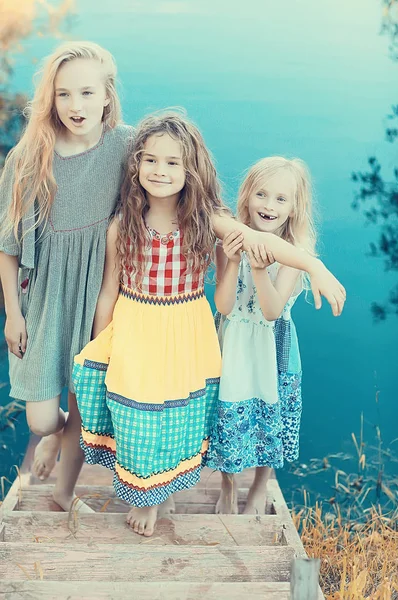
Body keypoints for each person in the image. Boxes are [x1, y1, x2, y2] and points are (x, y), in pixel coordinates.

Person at [73, 115, 346, 537]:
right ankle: (145, 492)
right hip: (137, 332)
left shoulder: (204, 219)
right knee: (136, 415)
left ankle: (163, 492)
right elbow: (109, 291)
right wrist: (99, 347)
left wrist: (314, 265)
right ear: (136, 166)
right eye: (150, 160)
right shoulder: (121, 226)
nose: (160, 171)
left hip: (185, 332)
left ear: (191, 170)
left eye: (173, 163)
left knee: (180, 418)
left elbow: (264, 242)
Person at [0, 41, 134, 512]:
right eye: (63, 95)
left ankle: (63, 492)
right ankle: (52, 438)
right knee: (40, 420)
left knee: (83, 398)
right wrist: (12, 314)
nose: (75, 106)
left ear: (106, 95)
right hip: (42, 296)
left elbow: (175, 183)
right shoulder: (29, 157)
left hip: (98, 292)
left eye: (86, 93)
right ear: (51, 99)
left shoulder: (125, 146)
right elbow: (7, 245)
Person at [206, 156, 336, 515]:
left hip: (273, 344)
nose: (269, 205)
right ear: (247, 196)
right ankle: (228, 484)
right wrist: (233, 261)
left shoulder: (296, 254)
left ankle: (261, 484)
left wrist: (260, 271)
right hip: (232, 341)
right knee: (225, 412)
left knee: (271, 415)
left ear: (295, 208)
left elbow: (272, 310)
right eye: (261, 194)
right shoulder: (229, 239)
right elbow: (224, 305)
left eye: (281, 199)